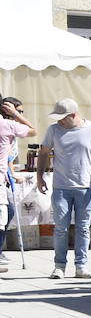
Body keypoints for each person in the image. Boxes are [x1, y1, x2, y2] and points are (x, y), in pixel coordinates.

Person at [36, 98, 91, 280]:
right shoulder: (53, 130)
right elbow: (44, 152)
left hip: (85, 187)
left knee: (83, 228)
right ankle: (59, 266)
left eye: (62, 118)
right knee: (61, 228)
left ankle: (81, 266)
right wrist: (40, 176)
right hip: (61, 186)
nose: (59, 121)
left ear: (73, 115)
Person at [0, 98, 36, 272]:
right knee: (5, 213)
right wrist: (15, 115)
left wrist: (12, 174)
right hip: (1, 177)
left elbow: (8, 157)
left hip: (5, 176)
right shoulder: (7, 125)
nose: (21, 115)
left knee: (8, 212)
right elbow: (32, 130)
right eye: (18, 111)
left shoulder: (10, 128)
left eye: (22, 112)